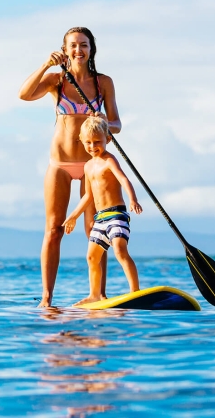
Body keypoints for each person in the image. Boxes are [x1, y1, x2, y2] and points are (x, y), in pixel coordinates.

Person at [18, 27, 122, 307]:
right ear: (65, 50)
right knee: (54, 229)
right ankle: (47, 298)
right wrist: (45, 65)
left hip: (93, 165)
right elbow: (24, 95)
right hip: (61, 164)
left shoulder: (104, 83)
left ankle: (98, 295)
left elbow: (117, 125)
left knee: (95, 229)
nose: (79, 50)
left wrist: (104, 122)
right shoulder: (57, 80)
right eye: (73, 45)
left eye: (84, 45)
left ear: (91, 49)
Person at [63, 116, 142, 304]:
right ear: (82, 141)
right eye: (88, 142)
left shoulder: (109, 160)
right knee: (91, 257)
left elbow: (124, 179)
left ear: (108, 139)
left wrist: (132, 199)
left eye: (97, 141)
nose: (92, 146)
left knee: (120, 250)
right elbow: (87, 196)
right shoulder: (88, 166)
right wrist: (73, 216)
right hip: (100, 219)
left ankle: (135, 291)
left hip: (116, 214)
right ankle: (94, 294)